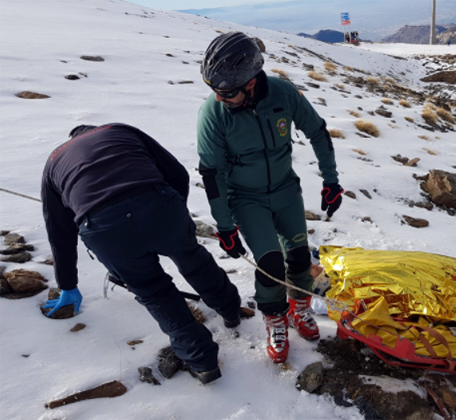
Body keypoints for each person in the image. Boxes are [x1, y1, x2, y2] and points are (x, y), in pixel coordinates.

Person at [41, 123, 242, 384]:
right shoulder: (118, 130)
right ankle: (230, 310)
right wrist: (174, 210)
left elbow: (59, 231)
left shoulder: (54, 160)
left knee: (153, 291)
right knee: (193, 259)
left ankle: (203, 362)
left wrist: (68, 284)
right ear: (94, 130)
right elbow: (177, 173)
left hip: (103, 227)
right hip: (157, 204)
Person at [197, 32, 343, 363]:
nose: (220, 99)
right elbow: (212, 173)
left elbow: (318, 132)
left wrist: (331, 181)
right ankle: (275, 318)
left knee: (300, 257)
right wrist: (224, 225)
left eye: (227, 92)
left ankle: (300, 308)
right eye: (215, 92)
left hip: (285, 189)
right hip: (246, 198)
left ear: (251, 82)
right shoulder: (213, 114)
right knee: (270, 263)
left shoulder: (283, 93)